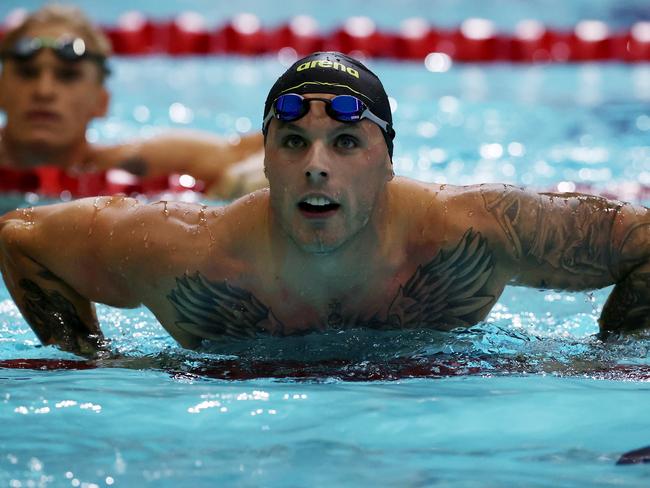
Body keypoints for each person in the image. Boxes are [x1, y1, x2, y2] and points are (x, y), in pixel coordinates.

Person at [1, 50, 649, 356]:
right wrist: (89, 364)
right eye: (293, 142)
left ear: (389, 160)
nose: (316, 163)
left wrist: (605, 359)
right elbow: (21, 235)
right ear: (266, 159)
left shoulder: (472, 232)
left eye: (345, 141)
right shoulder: (182, 250)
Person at [0, 4, 266, 199]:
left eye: (67, 76)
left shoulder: (131, 165)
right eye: (27, 73)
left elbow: (259, 150)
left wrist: (236, 182)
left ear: (101, 103)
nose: (44, 91)